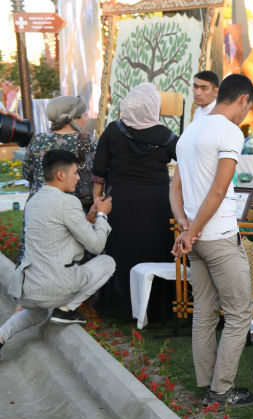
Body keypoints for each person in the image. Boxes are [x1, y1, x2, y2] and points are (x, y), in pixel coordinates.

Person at [170, 74, 253, 408]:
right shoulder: (228, 131)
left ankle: (207, 382)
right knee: (240, 314)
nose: (245, 114)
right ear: (243, 99)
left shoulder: (191, 129)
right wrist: (191, 230)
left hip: (196, 239)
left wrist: (185, 228)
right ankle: (222, 389)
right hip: (218, 236)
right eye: (248, 107)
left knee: (205, 313)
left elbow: (175, 188)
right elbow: (220, 190)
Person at [0, 149, 115, 353]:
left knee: (37, 313)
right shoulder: (67, 202)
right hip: (56, 285)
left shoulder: (34, 201)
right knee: (107, 262)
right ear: (61, 174)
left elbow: (59, 236)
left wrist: (89, 217)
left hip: (30, 288)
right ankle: (65, 310)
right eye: (75, 173)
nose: (79, 178)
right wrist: (102, 217)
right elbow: (96, 246)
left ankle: (2, 335)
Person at [91, 82, 177, 319]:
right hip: (157, 205)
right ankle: (156, 309)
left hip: (121, 203)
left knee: (122, 252)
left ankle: (122, 308)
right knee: (156, 251)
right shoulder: (166, 136)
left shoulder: (112, 131)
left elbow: (98, 171)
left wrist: (98, 201)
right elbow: (188, 160)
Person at [18, 95, 96, 261]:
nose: (86, 118)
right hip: (74, 211)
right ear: (73, 118)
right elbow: (98, 175)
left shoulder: (38, 140)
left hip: (40, 210)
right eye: (83, 114)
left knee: (38, 259)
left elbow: (27, 173)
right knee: (74, 261)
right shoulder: (88, 141)